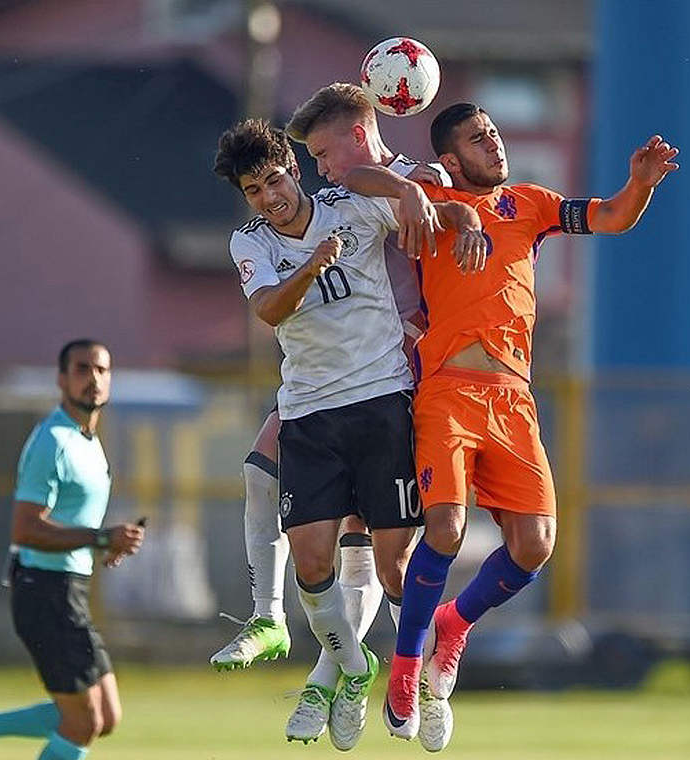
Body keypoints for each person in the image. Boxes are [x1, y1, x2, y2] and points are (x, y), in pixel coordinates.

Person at [341, 102, 679, 749]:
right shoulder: (434, 195)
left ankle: (454, 624)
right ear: (450, 157)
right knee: (443, 528)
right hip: (446, 392)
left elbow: (608, 217)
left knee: (534, 546)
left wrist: (640, 184)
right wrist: (415, 194)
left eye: (493, 133)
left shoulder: (531, 202)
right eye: (477, 138)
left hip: (513, 399)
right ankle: (406, 669)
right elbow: (359, 180)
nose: (493, 144)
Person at [212, 119, 485, 750]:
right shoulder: (247, 243)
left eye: (275, 178)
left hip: (381, 402)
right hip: (308, 412)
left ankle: (420, 680)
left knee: (395, 567)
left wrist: (461, 220)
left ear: (294, 168)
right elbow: (269, 311)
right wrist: (311, 265)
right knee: (312, 560)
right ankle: (351, 670)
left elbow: (420, 219)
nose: (269, 196)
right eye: (254, 190)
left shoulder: (352, 208)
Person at [0, 339, 146, 760]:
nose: (93, 378)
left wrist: (106, 543)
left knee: (106, 716)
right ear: (61, 379)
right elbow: (25, 528)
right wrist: (102, 538)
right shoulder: (53, 440)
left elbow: (75, 522)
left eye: (102, 370)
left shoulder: (88, 439)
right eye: (82, 369)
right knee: (82, 723)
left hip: (69, 590)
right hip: (44, 591)